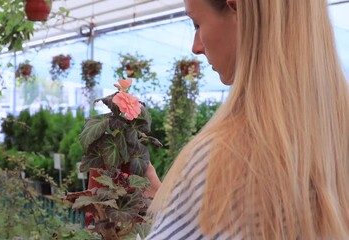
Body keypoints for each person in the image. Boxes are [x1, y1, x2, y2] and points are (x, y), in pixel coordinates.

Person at [145, 0, 349, 239]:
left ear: (237, 8)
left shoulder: (225, 157)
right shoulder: (334, 138)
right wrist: (177, 206)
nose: (196, 47)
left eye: (197, 23)